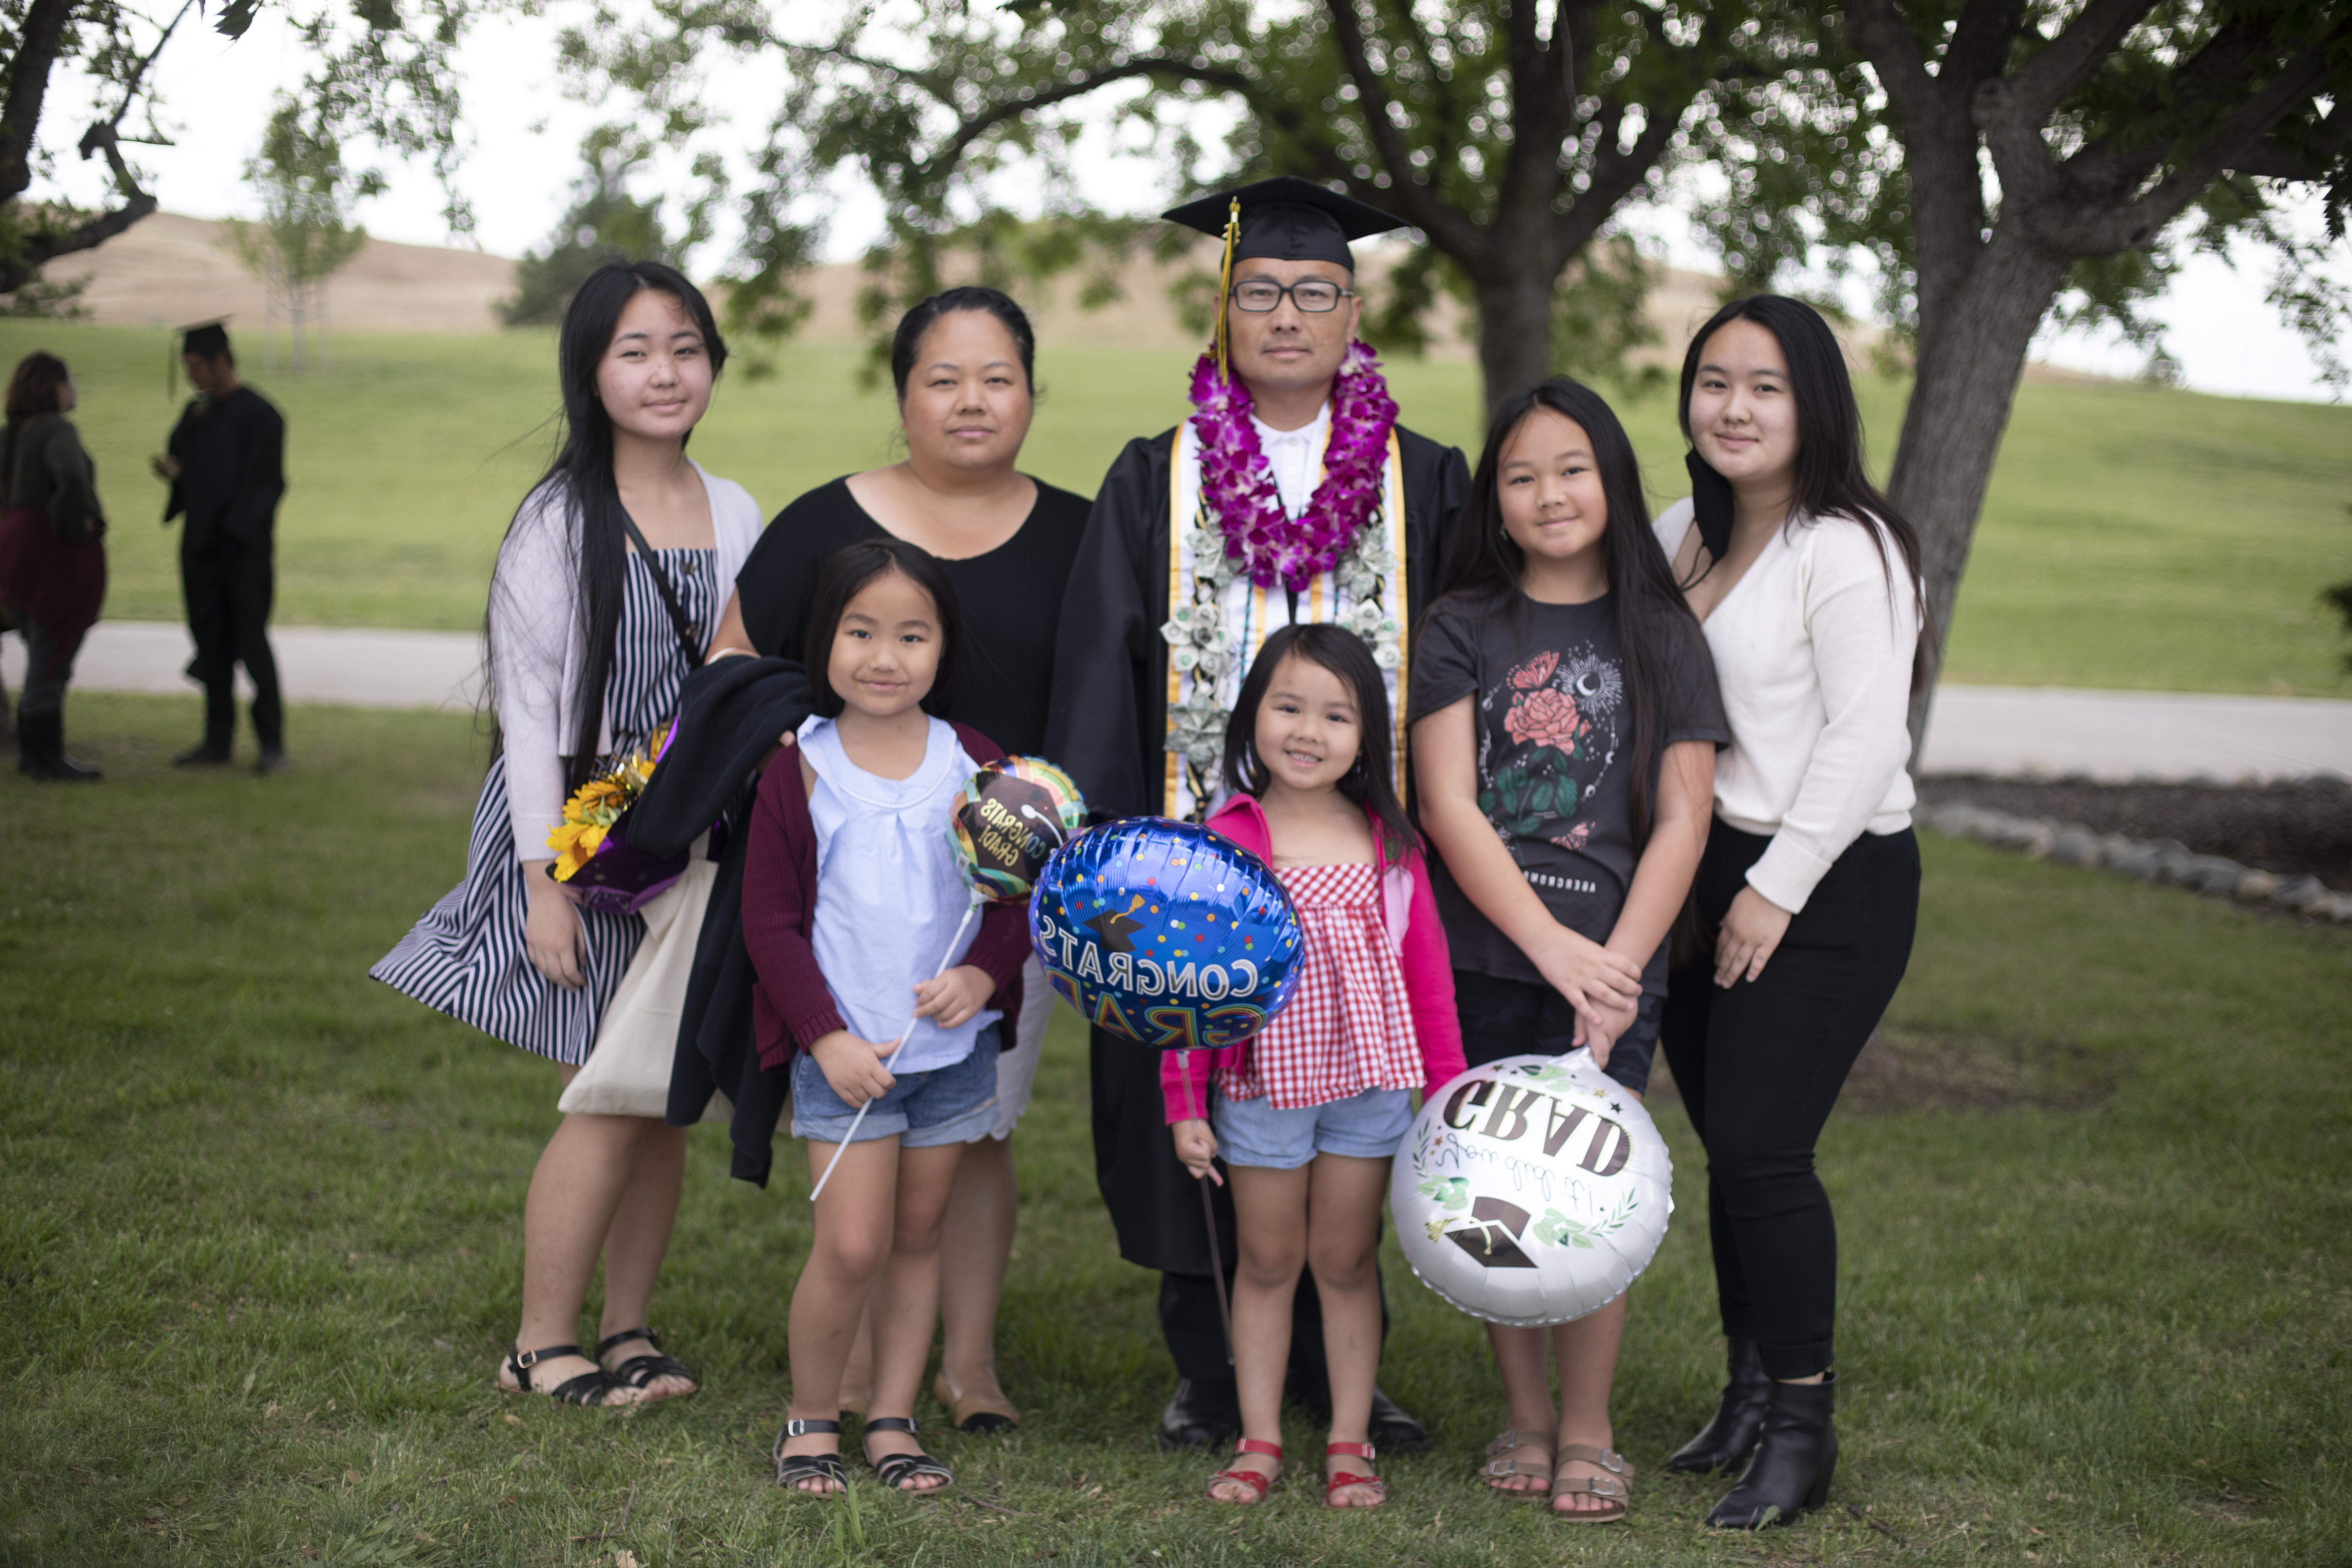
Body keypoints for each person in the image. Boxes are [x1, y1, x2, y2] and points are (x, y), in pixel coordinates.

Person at [1045, 175, 1470, 1451]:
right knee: (1194, 1100)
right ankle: (1203, 1361)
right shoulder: (1151, 475)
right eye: (1258, 293)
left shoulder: (1425, 478)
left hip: (1362, 864)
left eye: (1312, 292)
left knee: (1358, 1092)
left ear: (1354, 312)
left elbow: (1451, 665)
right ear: (1223, 310)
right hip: (1192, 864)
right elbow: (1098, 665)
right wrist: (1105, 859)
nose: (1284, 315)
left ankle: (1345, 1371)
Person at [371, 262, 764, 1407]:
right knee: (602, 1090)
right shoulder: (554, 520)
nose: (665, 372)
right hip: (585, 837)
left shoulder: (734, 507)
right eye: (636, 350)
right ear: (591, 372)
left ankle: (630, 1328)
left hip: (694, 832)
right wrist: (547, 877)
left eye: (685, 347)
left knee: (665, 1095)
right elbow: (532, 709)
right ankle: (540, 1344)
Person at [706, 286, 1089, 1432]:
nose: (973, 401)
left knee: (977, 1130)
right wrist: (789, 768)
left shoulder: (1079, 531)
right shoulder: (829, 521)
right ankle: (863, 1380)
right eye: (943, 378)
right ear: (902, 393)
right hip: (858, 903)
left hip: (998, 904)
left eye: (998, 378)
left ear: (1030, 390)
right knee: (876, 1134)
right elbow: (734, 657)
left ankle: (968, 1369)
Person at [1410, 378, 1727, 1522]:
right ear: (1495, 499)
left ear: (1613, 480)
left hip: (1611, 969)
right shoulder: (1462, 626)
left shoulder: (1658, 630)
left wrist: (1619, 969)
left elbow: (1686, 817)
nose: (1550, 494)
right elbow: (1449, 803)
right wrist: (1545, 944)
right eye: (1522, 475)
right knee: (1495, 1188)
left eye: (1573, 469)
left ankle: (1589, 1427)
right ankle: (1527, 1418)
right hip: (1486, 957)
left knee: (1589, 1195)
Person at [1651, 296, 1926, 1529]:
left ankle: (1805, 1427)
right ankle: (1749, 1391)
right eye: (1716, 382)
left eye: (1765, 386)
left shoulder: (1847, 545)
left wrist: (1773, 891)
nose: (1736, 408)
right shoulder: (1680, 536)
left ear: (1813, 403)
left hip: (1828, 879)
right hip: (1702, 873)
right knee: (1729, 1149)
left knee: (1765, 1149)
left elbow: (1868, 737)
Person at [746, 538, 1032, 1497]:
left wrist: (987, 978)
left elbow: (1016, 899)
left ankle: (895, 1421)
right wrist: (823, 1036)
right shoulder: (800, 771)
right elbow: (770, 923)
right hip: (846, 1056)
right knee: (853, 1244)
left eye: (912, 635)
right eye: (860, 631)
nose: (884, 656)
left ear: (943, 647)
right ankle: (812, 1419)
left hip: (950, 1050)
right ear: (824, 640)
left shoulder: (979, 765)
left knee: (920, 1238)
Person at [1166, 624, 1465, 1509]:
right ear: (1252, 716)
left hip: (1369, 1085)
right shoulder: (1222, 839)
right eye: (1288, 706)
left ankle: (1347, 1440)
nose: (1308, 730)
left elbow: (1431, 979)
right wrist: (1186, 1101)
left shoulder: (1390, 845)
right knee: (1268, 1261)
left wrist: (1445, 1092)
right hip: (1260, 1085)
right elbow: (1181, 987)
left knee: (1343, 1260)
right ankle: (1259, 1440)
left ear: (1368, 734)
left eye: (1336, 715)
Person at [153, 321, 289, 772]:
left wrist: (234, 532)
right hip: (200, 549)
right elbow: (185, 465)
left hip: (243, 553)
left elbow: (266, 485)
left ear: (221, 361)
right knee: (209, 642)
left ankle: (272, 745)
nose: (191, 375)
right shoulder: (198, 415)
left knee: (251, 644)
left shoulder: (263, 416)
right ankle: (217, 741)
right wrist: (174, 473)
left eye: (195, 365)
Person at [0, 352, 108, 781]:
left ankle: (33, 753)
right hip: (47, 547)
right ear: (56, 386)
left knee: (36, 643)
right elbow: (73, 479)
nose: (75, 387)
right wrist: (76, 526)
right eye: (71, 379)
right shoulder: (57, 429)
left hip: (12, 543)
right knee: (50, 652)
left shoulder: (10, 433)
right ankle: (46, 757)